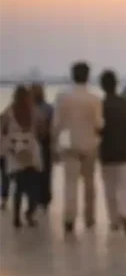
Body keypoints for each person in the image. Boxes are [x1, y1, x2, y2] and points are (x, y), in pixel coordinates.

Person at [53, 61, 104, 235]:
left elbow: (57, 124)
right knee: (89, 184)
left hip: (69, 146)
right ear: (88, 77)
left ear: (72, 75)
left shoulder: (62, 97)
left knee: (70, 185)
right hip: (89, 145)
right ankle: (89, 218)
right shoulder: (95, 99)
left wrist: (54, 143)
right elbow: (99, 123)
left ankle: (69, 219)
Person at [98, 70, 126, 234]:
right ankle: (125, 215)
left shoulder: (101, 106)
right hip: (125, 151)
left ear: (102, 86)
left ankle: (114, 220)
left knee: (110, 188)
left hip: (107, 153)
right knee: (125, 187)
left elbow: (98, 128)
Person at [0, 85, 43, 228]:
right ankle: (24, 216)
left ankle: (22, 216)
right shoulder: (16, 112)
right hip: (23, 150)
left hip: (22, 150)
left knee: (24, 185)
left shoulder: (13, 111)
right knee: (29, 185)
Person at [31, 83, 54, 211]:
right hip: (38, 142)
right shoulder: (48, 108)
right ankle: (41, 198)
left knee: (42, 171)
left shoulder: (46, 108)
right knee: (41, 171)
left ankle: (43, 198)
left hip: (43, 142)